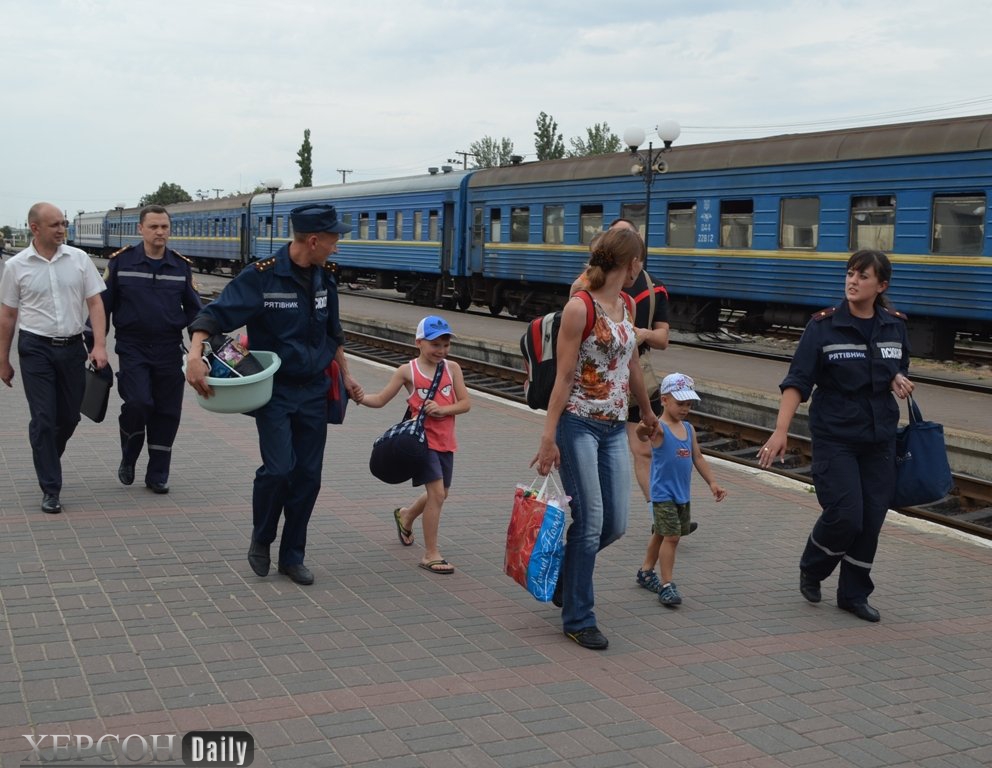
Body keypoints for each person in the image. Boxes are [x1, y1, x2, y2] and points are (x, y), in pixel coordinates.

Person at [185, 204, 363, 586]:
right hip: (276, 392)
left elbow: (334, 334)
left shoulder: (326, 277)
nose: (337, 247)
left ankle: (292, 555)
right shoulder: (262, 278)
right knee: (279, 470)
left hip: (315, 390)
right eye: (333, 240)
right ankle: (262, 536)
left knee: (308, 477)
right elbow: (213, 315)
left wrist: (346, 378)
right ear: (313, 241)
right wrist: (195, 355)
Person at [758, 250, 914, 623]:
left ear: (882, 285)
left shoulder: (894, 324)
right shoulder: (823, 326)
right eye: (850, 273)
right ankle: (813, 568)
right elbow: (797, 381)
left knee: (872, 518)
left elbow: (898, 363)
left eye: (862, 276)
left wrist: (895, 376)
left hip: (879, 437)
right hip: (836, 436)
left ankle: (853, 594)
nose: (853, 281)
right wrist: (780, 431)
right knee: (846, 514)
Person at [532, 226, 659, 650]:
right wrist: (549, 437)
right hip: (577, 424)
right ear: (633, 264)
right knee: (589, 524)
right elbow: (565, 376)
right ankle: (578, 617)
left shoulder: (626, 306)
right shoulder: (579, 308)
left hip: (613, 427)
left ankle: (565, 579)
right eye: (640, 262)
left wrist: (648, 412)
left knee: (616, 524)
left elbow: (633, 365)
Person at [0, 202, 109, 513]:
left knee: (69, 418)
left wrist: (100, 345)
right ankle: (51, 487)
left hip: (73, 348)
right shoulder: (16, 266)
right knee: (45, 420)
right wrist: (3, 359)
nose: (62, 229)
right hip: (35, 349)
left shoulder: (79, 259)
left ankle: (45, 453)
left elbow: (95, 304)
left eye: (63, 223)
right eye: (55, 225)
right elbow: (7, 315)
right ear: (35, 229)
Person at [357, 315, 471, 574]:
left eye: (445, 345)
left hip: (446, 441)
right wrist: (360, 397)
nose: (441, 351)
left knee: (442, 493)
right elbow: (381, 399)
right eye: (435, 345)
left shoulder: (452, 369)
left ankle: (406, 515)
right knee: (437, 495)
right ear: (419, 342)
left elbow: (465, 403)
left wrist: (444, 409)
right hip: (422, 443)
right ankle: (431, 554)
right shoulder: (407, 371)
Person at [100, 205, 202, 493]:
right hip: (133, 347)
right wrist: (96, 346)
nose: (160, 232)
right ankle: (129, 455)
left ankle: (157, 474)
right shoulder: (122, 263)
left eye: (164, 227)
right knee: (139, 403)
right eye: (154, 227)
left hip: (170, 349)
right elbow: (101, 308)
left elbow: (196, 312)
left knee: (168, 412)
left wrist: (203, 347)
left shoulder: (180, 266)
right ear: (140, 229)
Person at [635, 373, 727, 606]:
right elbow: (642, 433)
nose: (685, 409)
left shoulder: (688, 429)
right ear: (664, 400)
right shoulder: (661, 429)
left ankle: (646, 571)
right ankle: (667, 585)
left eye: (689, 404)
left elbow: (698, 457)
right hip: (662, 494)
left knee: (660, 532)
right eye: (680, 403)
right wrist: (645, 426)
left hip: (682, 495)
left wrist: (712, 482)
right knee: (672, 537)